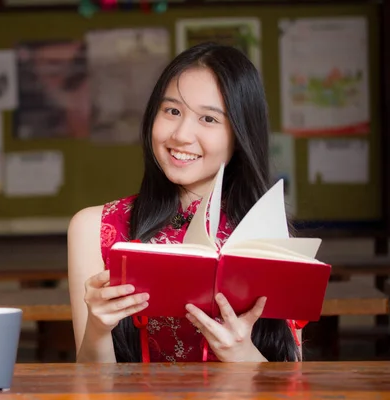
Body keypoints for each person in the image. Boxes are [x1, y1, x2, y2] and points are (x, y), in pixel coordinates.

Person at [67, 42, 305, 364]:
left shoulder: (270, 236)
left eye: (208, 119)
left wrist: (241, 353)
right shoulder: (93, 228)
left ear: (240, 135)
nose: (181, 135)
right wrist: (97, 328)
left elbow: (292, 384)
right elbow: (93, 388)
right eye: (172, 111)